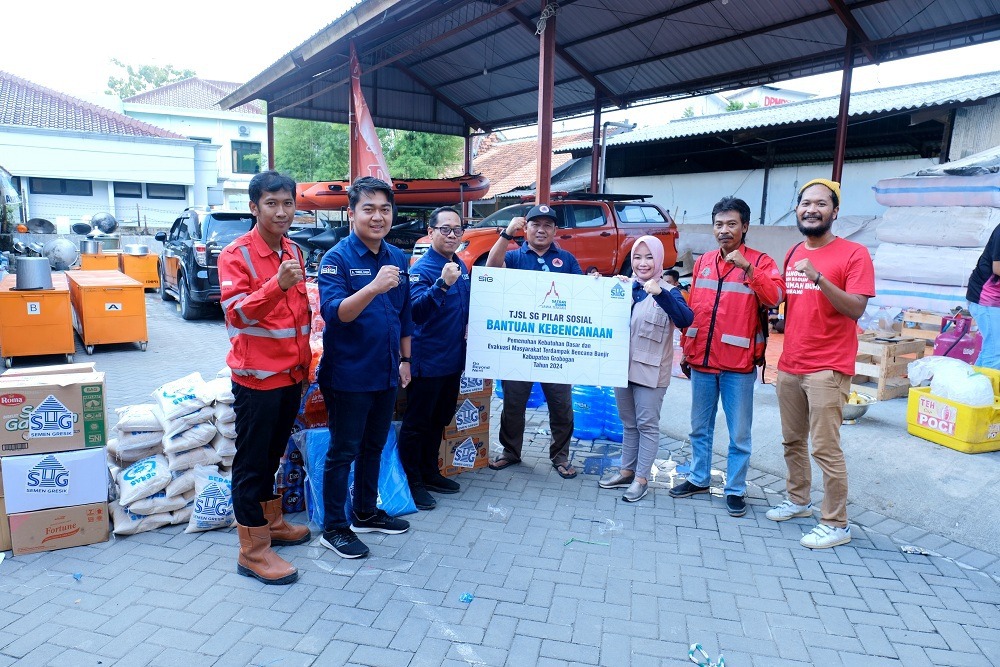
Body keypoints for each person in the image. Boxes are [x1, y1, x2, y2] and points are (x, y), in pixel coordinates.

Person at [766, 179, 874, 549]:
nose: (811, 209)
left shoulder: (854, 254)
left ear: (835, 211)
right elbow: (791, 305)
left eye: (820, 204)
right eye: (805, 203)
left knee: (825, 448)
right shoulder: (795, 250)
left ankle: (836, 523)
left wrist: (819, 278)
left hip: (828, 366)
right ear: (797, 209)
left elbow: (856, 308)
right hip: (791, 361)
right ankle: (798, 500)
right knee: (792, 440)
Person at [218, 170, 312, 586]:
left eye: (287, 202)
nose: (281, 211)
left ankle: (271, 524)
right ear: (254, 208)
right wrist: (275, 284)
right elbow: (235, 313)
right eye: (271, 203)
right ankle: (252, 551)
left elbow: (298, 314)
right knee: (252, 464)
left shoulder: (293, 249)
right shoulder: (236, 254)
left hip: (291, 374)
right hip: (257, 380)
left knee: (273, 456)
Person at [316, 176, 413, 559]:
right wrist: (372, 287)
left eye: (385, 209)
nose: (378, 217)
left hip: (387, 370)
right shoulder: (336, 259)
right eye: (368, 209)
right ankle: (335, 528)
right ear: (352, 212)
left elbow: (405, 314)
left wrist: (406, 359)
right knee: (344, 450)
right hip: (349, 375)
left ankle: (365, 512)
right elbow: (335, 315)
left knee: (375, 445)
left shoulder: (398, 257)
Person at [670, 197, 784, 517]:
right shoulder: (704, 261)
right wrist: (687, 349)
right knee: (699, 427)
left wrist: (748, 268)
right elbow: (696, 310)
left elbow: (775, 296)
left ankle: (734, 489)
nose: (724, 230)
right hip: (703, 361)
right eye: (719, 224)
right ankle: (698, 478)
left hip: (738, 364)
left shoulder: (760, 261)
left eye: (731, 224)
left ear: (745, 227)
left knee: (740, 434)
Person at [485, 204, 583, 479]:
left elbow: (584, 296)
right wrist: (506, 234)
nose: (541, 230)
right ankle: (510, 452)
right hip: (521, 346)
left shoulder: (567, 259)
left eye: (547, 225)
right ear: (525, 229)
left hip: (555, 348)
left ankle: (560, 456)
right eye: (535, 225)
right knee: (514, 404)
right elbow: (491, 269)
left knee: (561, 405)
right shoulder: (514, 257)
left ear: (555, 230)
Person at [599, 236, 693, 501]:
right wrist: (597, 285)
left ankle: (641, 479)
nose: (642, 263)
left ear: (659, 260)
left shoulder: (669, 291)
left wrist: (660, 293)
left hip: (652, 371)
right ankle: (626, 471)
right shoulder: (626, 287)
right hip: (621, 367)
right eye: (637, 257)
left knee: (647, 425)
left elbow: (686, 319)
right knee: (629, 424)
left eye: (649, 257)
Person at [398, 206, 471, 510]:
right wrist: (442, 284)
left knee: (439, 419)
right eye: (445, 229)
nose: (452, 235)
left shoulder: (461, 266)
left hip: (453, 360)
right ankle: (411, 481)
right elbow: (416, 313)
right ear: (430, 233)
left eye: (458, 229)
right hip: (427, 361)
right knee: (417, 423)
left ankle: (430, 471)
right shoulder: (422, 270)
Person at [966, 221, 1000, 369]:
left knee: (990, 349)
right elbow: (997, 268)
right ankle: (989, 392)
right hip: (986, 298)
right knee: (996, 352)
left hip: (995, 299)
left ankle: (973, 389)